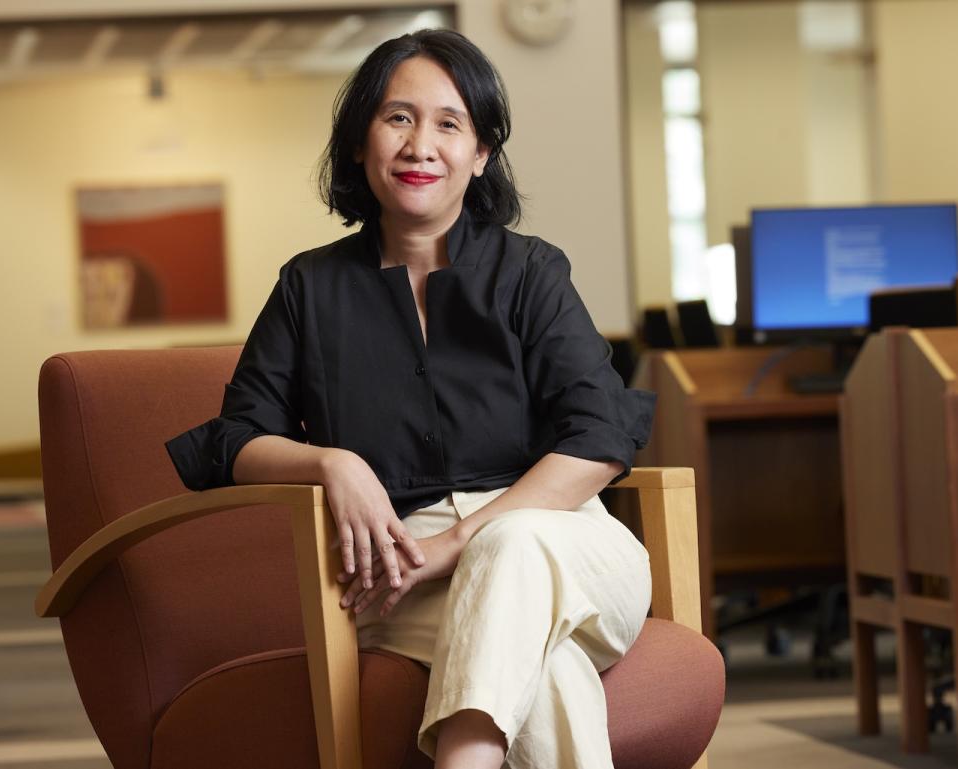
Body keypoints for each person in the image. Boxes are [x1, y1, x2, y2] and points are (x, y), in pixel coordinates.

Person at [166, 28, 655, 769]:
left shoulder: (532, 273)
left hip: (566, 544)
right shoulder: (309, 286)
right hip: (399, 578)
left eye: (449, 123)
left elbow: (599, 434)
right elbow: (237, 439)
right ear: (360, 141)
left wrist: (456, 543)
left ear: (481, 153)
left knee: (510, 541)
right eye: (397, 118)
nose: (420, 144)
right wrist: (331, 462)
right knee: (546, 669)